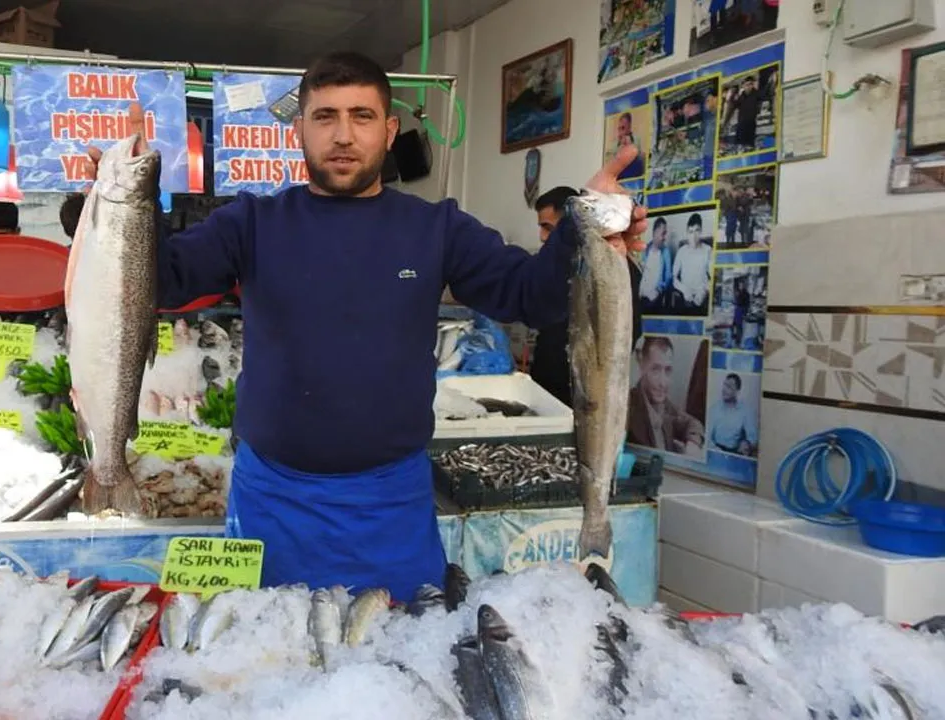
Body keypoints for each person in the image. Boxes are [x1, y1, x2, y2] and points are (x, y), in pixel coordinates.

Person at [76, 51, 647, 601]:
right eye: (325, 117)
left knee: (398, 665)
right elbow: (161, 280)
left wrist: (585, 225)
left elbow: (531, 296)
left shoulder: (437, 228)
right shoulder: (251, 222)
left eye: (362, 116)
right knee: (267, 664)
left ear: (390, 129)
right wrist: (113, 212)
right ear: (299, 128)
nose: (343, 135)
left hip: (392, 502)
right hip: (271, 496)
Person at [530, 186, 643, 407]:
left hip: (587, 391)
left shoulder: (613, 267)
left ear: (566, 222)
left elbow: (628, 330)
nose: (542, 236)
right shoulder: (552, 267)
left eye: (547, 227)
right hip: (546, 389)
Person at [626, 336, 704, 453]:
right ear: (642, 365)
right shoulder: (628, 407)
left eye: (667, 370)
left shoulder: (664, 405)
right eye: (655, 370)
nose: (663, 382)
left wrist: (692, 444)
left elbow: (693, 423)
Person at [708, 373, 757, 456]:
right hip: (716, 450)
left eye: (729, 387)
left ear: (737, 391)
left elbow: (753, 437)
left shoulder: (745, 410)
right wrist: (716, 450)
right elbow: (707, 437)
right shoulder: (714, 408)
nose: (724, 389)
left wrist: (747, 443)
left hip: (735, 452)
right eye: (724, 385)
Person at [672, 213, 711, 312]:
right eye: (690, 232)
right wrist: (684, 290)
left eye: (697, 231)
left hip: (701, 295)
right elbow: (673, 278)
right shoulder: (682, 251)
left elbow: (713, 277)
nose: (693, 236)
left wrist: (704, 290)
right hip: (686, 295)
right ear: (687, 233)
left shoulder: (708, 250)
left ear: (701, 231)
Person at [638, 217, 673, 313]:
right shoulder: (644, 249)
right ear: (655, 232)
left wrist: (659, 290)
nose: (665, 237)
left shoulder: (665, 252)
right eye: (663, 233)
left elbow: (668, 276)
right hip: (640, 294)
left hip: (654, 296)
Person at [611, 113, 645, 179]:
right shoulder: (615, 145)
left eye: (623, 128)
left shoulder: (637, 139)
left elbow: (640, 159)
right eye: (619, 129)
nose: (620, 132)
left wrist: (629, 146)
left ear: (629, 127)